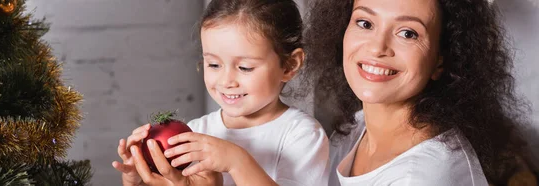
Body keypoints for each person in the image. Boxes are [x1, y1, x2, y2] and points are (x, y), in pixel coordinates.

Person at [301, 0, 529, 185]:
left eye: (408, 33)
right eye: (365, 23)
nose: (377, 47)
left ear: (441, 61)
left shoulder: (424, 177)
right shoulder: (356, 128)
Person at [114, 0, 329, 185]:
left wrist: (237, 162)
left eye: (245, 67)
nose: (226, 81)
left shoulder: (302, 135)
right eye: (214, 64)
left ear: (289, 65)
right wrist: (141, 178)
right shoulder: (196, 132)